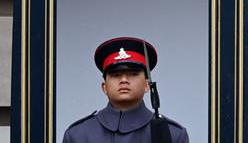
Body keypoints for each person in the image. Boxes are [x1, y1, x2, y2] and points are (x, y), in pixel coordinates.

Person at [62, 37, 190, 143]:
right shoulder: (78, 135)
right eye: (115, 75)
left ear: (147, 85)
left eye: (133, 74)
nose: (124, 80)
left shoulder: (172, 134)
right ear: (104, 87)